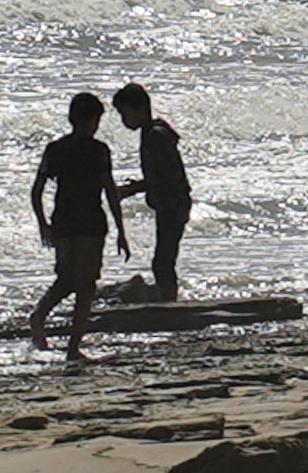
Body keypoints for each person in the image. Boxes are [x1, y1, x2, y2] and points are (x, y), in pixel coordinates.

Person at [25, 90, 119, 359]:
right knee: (86, 284)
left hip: (64, 221)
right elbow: (110, 191)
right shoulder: (99, 150)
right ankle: (72, 346)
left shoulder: (55, 150)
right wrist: (121, 230)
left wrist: (43, 224)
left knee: (66, 279)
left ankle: (41, 317)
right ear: (92, 121)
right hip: (90, 221)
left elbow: (37, 190)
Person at [111, 82, 194, 302]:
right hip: (172, 203)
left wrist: (133, 188)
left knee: (162, 262)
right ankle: (168, 301)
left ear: (139, 109)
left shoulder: (155, 135)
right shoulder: (153, 131)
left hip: (172, 204)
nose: (123, 120)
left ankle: (169, 305)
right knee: (164, 259)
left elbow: (165, 177)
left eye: (124, 114)